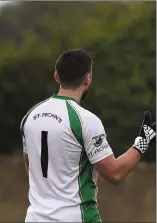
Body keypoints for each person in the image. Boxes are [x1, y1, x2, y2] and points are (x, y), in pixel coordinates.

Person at [20, 48, 156, 223]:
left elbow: (30, 166)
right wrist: (143, 142)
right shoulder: (85, 120)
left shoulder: (30, 116)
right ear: (88, 79)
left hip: (35, 218)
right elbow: (114, 173)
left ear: (56, 76)